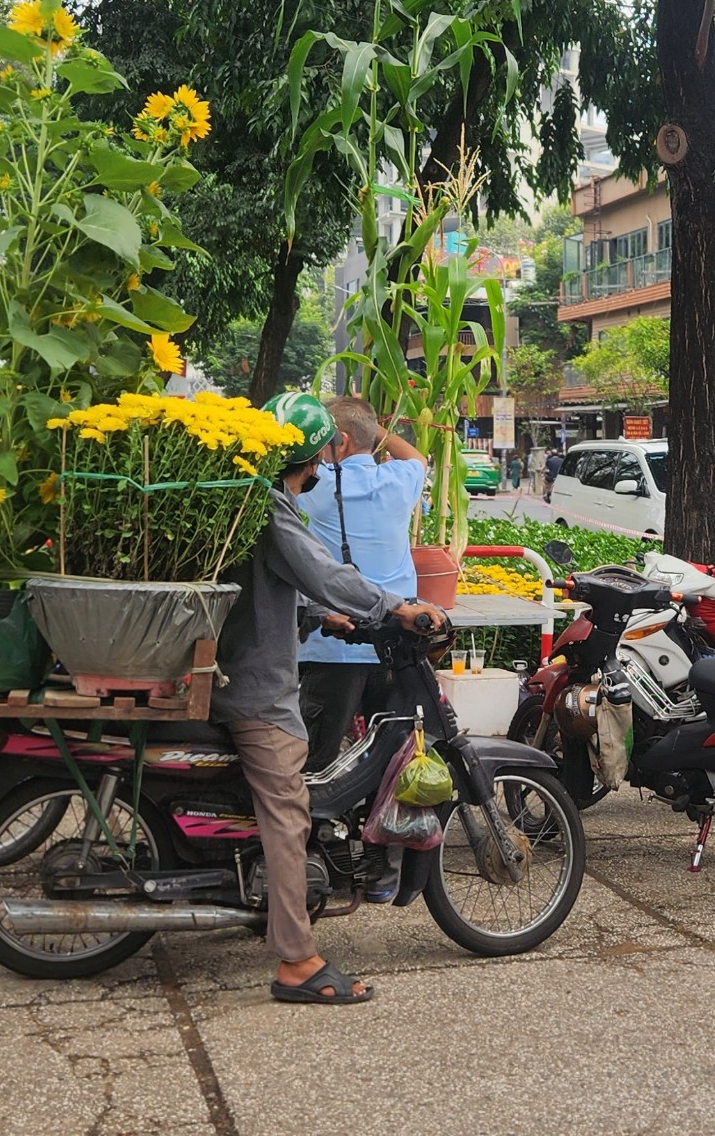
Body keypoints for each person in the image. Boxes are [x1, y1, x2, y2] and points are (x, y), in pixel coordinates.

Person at [230, 393, 448, 1005]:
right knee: (289, 806)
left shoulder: (256, 501)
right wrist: (394, 605)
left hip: (309, 653)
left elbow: (273, 589)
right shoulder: (272, 507)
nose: (321, 473)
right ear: (303, 456)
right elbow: (323, 572)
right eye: (316, 462)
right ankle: (298, 961)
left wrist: (318, 617)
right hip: (255, 685)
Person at [293, 398, 426, 772]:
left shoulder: (316, 486)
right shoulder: (400, 481)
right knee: (390, 762)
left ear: (341, 441)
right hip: (396, 644)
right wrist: (376, 428)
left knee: (315, 761)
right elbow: (418, 458)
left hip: (335, 647)